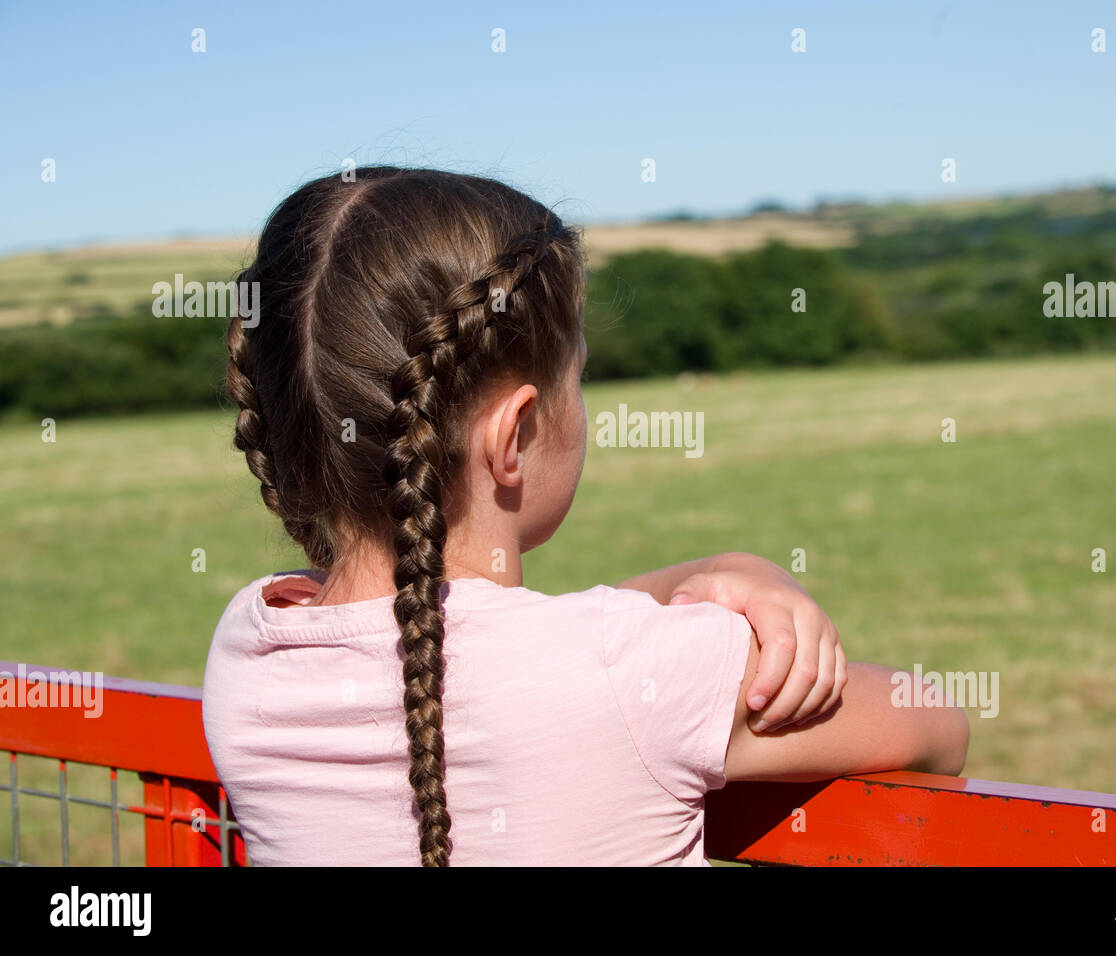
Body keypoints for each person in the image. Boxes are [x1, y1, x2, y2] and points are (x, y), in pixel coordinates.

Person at [201, 166, 969, 865]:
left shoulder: (250, 646)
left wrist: (721, 574)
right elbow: (935, 724)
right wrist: (743, 589)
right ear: (517, 435)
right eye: (579, 379)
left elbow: (554, 645)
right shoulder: (631, 671)